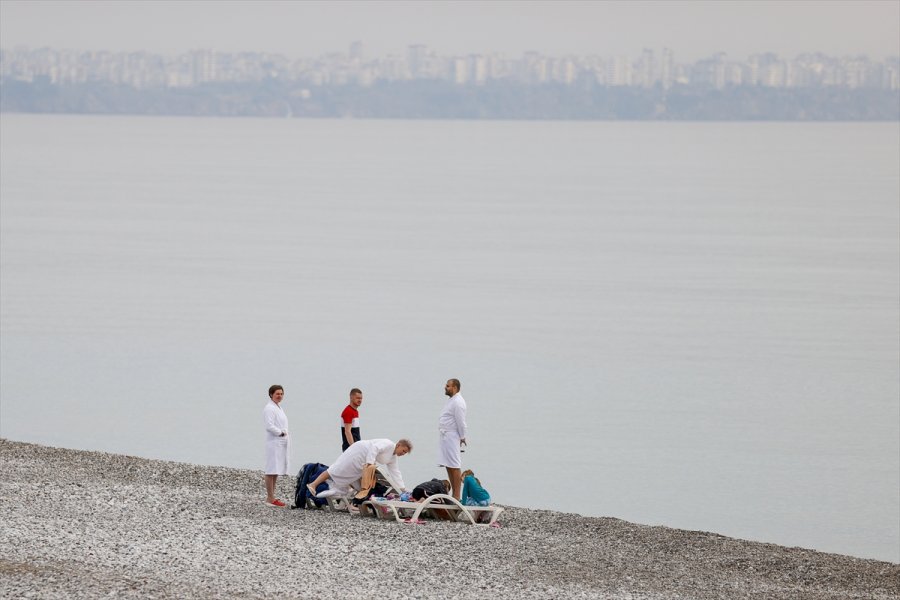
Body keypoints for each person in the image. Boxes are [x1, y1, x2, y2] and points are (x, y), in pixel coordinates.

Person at [306, 438, 412, 501]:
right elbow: (374, 448)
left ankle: (349, 499)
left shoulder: (393, 458)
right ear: (398, 445)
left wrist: (401, 488)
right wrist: (370, 462)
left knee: (354, 478)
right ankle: (313, 485)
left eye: (405, 453)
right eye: (403, 450)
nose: (403, 454)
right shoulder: (388, 444)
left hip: (365, 461)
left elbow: (395, 472)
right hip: (360, 451)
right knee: (337, 468)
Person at [438, 378, 467, 500]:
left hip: (452, 435)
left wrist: (462, 436)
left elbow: (461, 421)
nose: (445, 387)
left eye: (448, 386)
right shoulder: (452, 400)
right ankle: (454, 494)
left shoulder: (458, 402)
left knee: (454, 464)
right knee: (448, 464)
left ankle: (456, 495)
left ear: (455, 387)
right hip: (446, 436)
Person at [263, 384, 290, 507]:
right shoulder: (269, 408)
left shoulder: (278, 407)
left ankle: (272, 496)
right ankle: (270, 497)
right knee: (271, 469)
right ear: (271, 395)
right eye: (277, 394)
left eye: (281, 394)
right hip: (274, 441)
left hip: (281, 442)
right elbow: (269, 426)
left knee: (276, 470)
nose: (280, 396)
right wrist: (280, 433)